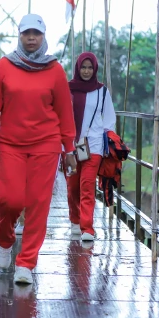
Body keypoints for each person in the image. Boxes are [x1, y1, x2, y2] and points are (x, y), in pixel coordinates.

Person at [0, 13, 77, 285]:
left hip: (46, 145)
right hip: (10, 143)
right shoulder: (3, 66)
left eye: (37, 33)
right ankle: (4, 239)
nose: (32, 38)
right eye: (27, 33)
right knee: (8, 198)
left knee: (37, 204)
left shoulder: (55, 70)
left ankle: (26, 263)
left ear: (44, 36)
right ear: (20, 36)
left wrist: (69, 148)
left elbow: (65, 113)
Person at [66, 52, 114, 241]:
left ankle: (87, 228)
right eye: (83, 67)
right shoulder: (66, 89)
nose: (86, 71)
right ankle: (75, 221)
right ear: (78, 68)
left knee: (87, 185)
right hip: (70, 146)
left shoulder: (102, 91)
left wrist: (109, 142)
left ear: (95, 69)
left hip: (93, 145)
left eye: (90, 67)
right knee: (72, 187)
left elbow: (109, 119)